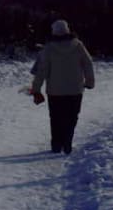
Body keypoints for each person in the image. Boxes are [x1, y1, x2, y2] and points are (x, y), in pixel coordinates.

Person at [30, 19, 95, 154]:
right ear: (67, 30)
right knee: (72, 117)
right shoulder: (78, 45)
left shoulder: (48, 48)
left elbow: (42, 70)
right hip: (75, 90)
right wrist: (89, 82)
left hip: (55, 91)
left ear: (53, 31)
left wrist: (36, 89)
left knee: (56, 118)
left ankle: (56, 144)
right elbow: (88, 63)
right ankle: (67, 143)